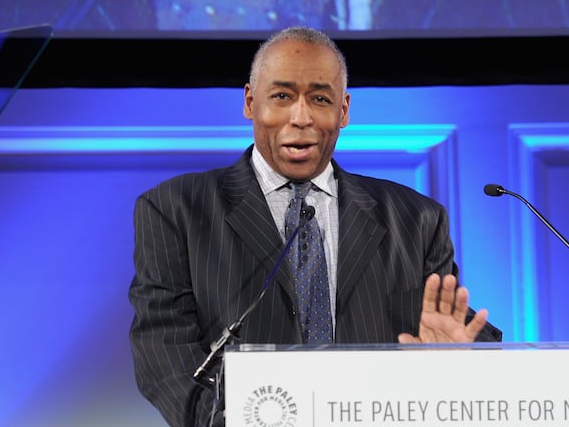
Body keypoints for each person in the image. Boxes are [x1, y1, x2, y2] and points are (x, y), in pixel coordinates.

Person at [128, 25, 502, 427]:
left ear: (343, 111)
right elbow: (164, 354)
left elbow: (452, 337)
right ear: (251, 102)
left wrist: (461, 369)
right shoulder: (176, 210)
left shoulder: (417, 218)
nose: (301, 117)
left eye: (320, 99)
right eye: (282, 96)